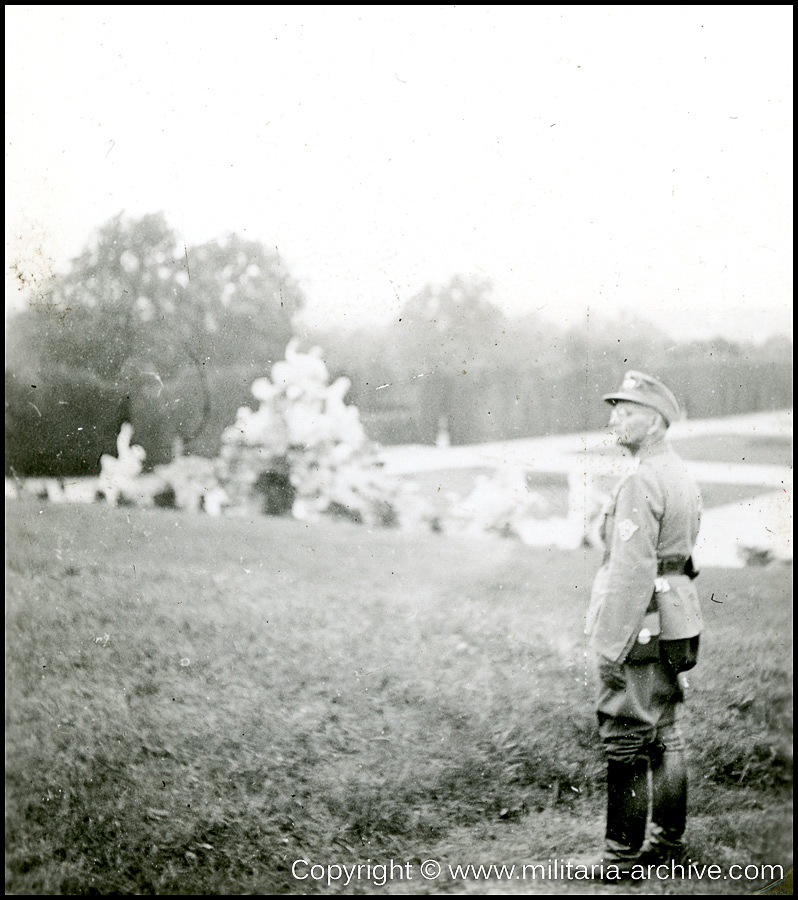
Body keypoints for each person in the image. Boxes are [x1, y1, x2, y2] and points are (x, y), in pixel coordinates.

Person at [584, 370, 703, 874]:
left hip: (641, 621)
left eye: (626, 411)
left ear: (655, 422)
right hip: (676, 616)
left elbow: (631, 572)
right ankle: (668, 846)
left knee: (627, 735)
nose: (615, 419)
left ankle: (622, 858)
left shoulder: (640, 478)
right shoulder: (678, 471)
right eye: (615, 409)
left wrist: (612, 646)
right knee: (665, 731)